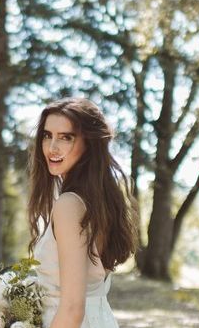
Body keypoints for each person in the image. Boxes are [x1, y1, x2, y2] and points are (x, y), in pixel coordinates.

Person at [28, 97, 136, 328]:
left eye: (66, 138)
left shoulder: (69, 205)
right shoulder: (99, 203)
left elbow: (72, 309)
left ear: (89, 144)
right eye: (47, 136)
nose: (52, 148)